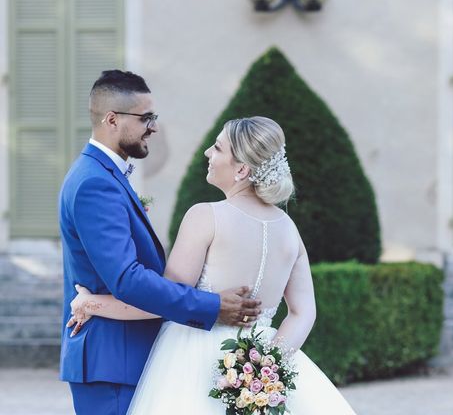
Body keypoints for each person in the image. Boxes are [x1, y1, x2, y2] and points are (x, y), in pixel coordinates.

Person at [68, 116, 357, 414]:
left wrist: (92, 304)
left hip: (195, 361)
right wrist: (265, 367)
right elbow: (303, 311)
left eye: (218, 148)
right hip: (258, 362)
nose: (207, 152)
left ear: (242, 169)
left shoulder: (205, 216)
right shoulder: (289, 229)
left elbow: (163, 300)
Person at [58, 70, 261, 415]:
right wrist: (212, 305)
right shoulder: (95, 184)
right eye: (146, 118)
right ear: (112, 119)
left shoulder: (104, 176)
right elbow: (126, 279)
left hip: (124, 356)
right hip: (112, 363)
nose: (153, 126)